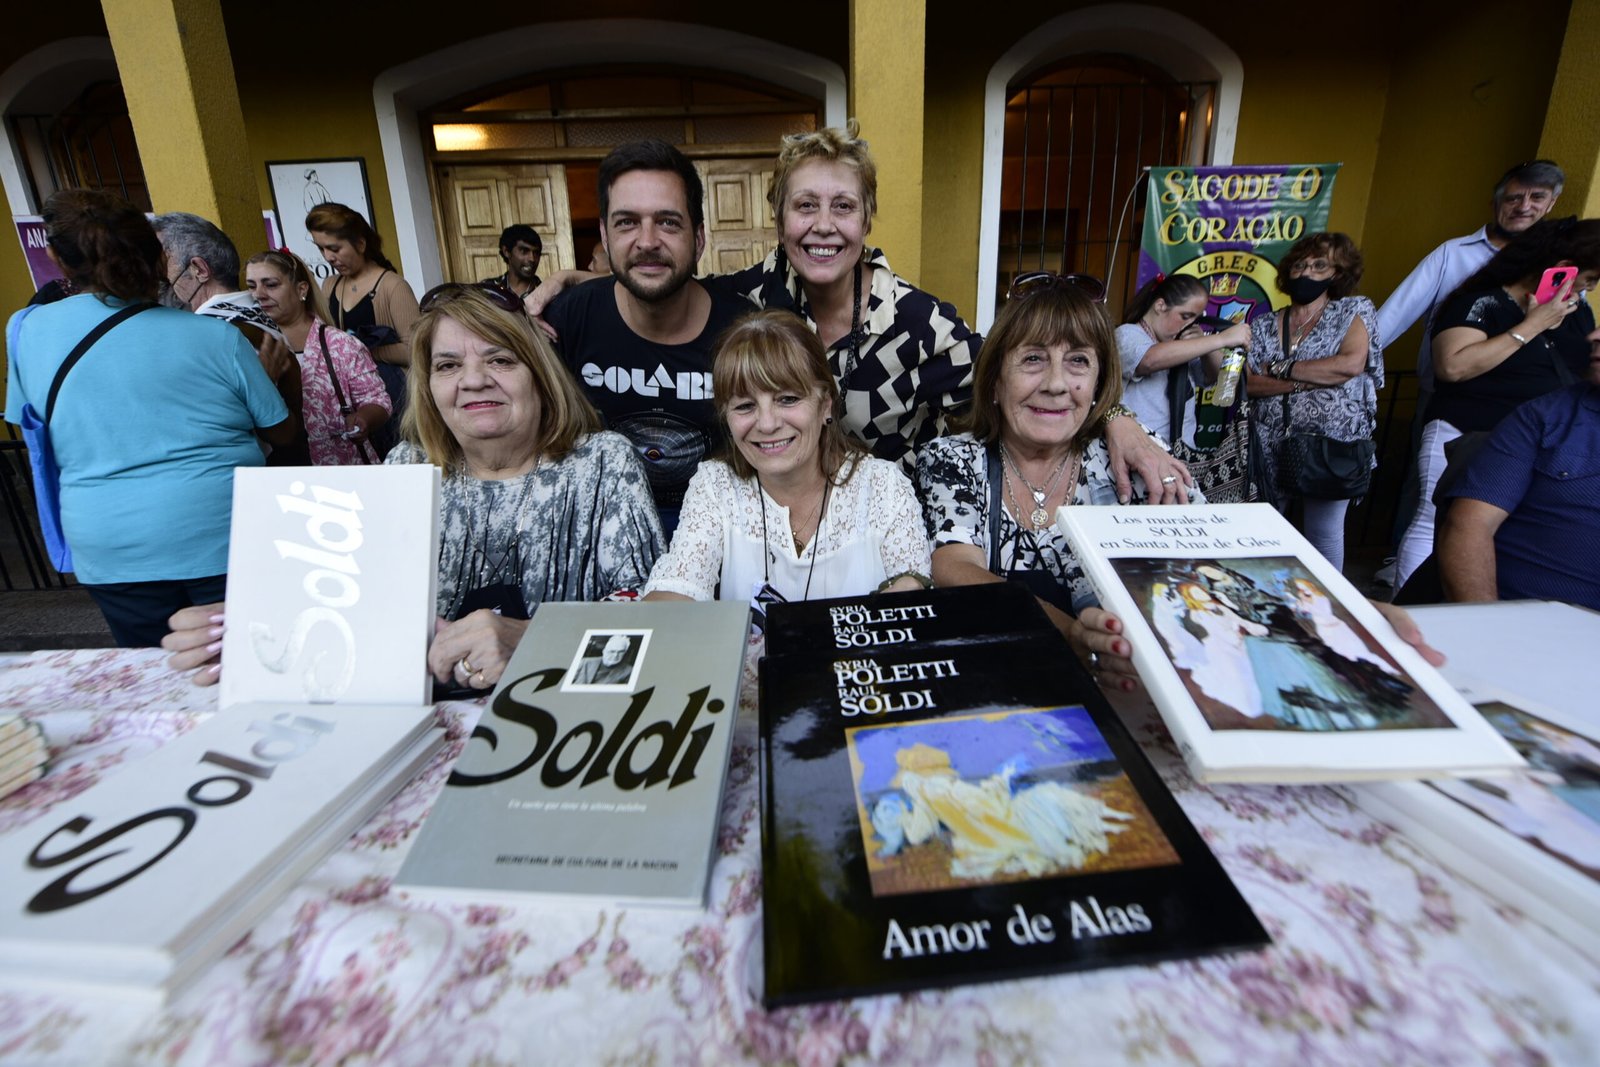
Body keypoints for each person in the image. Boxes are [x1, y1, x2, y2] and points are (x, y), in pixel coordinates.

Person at [532, 122, 1188, 501]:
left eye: (842, 207)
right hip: (770, 533)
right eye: (804, 206)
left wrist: (1120, 421)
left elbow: (1020, 377)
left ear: (867, 218)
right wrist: (568, 282)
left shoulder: (925, 327)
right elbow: (663, 282)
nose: (823, 226)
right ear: (779, 217)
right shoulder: (747, 303)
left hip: (894, 532)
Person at [162, 285, 664, 690]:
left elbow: (649, 623)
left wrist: (535, 640)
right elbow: (357, 609)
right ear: (428, 387)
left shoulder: (601, 462)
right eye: (447, 366)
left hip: (565, 718)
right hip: (423, 726)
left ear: (540, 375)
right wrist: (261, 629)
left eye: (501, 360)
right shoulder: (407, 467)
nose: (472, 380)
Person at [5, 190, 297, 647]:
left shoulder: (26, 330)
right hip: (224, 531)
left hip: (110, 539)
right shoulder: (216, 338)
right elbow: (281, 431)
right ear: (158, 257)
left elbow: (33, 424)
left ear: (57, 260)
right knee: (248, 664)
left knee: (153, 673)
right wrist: (267, 379)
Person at [917, 275, 1200, 669]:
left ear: (1099, 382)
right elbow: (954, 568)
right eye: (1033, 359)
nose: (1055, 384)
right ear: (996, 381)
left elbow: (1195, 579)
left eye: (1078, 361)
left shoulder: (1139, 462)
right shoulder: (955, 460)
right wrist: (1072, 635)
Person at [643, 309, 929, 609]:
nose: (767, 424)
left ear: (826, 406)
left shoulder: (882, 486)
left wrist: (907, 589)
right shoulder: (715, 485)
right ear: (725, 416)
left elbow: (912, 592)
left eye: (788, 399)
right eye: (744, 406)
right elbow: (680, 585)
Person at [542, 141, 753, 529]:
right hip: (597, 528)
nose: (648, 241)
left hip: (720, 528)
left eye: (668, 221)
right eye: (627, 222)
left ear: (700, 238)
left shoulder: (743, 329)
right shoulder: (564, 319)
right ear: (605, 236)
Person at [1394, 217, 1600, 587]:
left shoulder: (1577, 311)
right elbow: (1453, 367)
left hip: (1539, 445)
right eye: (1590, 276)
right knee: (1434, 524)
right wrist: (1533, 324)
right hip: (1464, 431)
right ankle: (1415, 615)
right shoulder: (1482, 303)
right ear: (1561, 266)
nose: (1590, 287)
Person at [1436, 325, 1600, 611]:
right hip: (1524, 620)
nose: (1593, 336)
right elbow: (1470, 524)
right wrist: (1492, 628)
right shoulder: (1547, 417)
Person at [1245, 232, 1382, 573]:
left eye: (1319, 266)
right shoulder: (1263, 324)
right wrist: (1310, 379)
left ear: (1337, 273)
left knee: (1323, 533)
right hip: (1269, 439)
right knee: (1263, 529)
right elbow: (1249, 383)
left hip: (1332, 444)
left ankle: (1328, 608)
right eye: (1299, 265)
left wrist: (1281, 370)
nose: (1306, 273)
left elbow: (1349, 365)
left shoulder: (1353, 310)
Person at [1378, 160, 1565, 398]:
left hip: (1522, 401)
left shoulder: (1557, 261)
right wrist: (1346, 362)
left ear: (1552, 203)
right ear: (1494, 203)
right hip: (1446, 395)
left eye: (1537, 197)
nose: (1524, 206)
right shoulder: (1454, 253)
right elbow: (1394, 315)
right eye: (1513, 198)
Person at [244, 248, 391, 465]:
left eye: (271, 284)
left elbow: (378, 400)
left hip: (338, 472)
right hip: (278, 474)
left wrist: (363, 419)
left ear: (301, 289)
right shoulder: (247, 345)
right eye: (251, 286)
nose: (259, 294)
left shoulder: (339, 344)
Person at [307, 202, 421, 454]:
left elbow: (415, 350)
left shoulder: (392, 286)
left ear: (360, 243)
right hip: (350, 398)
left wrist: (362, 353)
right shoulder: (330, 286)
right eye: (321, 249)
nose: (328, 257)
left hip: (393, 395)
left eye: (334, 248)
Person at [486, 224, 543, 299]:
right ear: (506, 251)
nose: (532, 259)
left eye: (536, 253)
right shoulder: (488, 290)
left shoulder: (547, 294)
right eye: (524, 251)